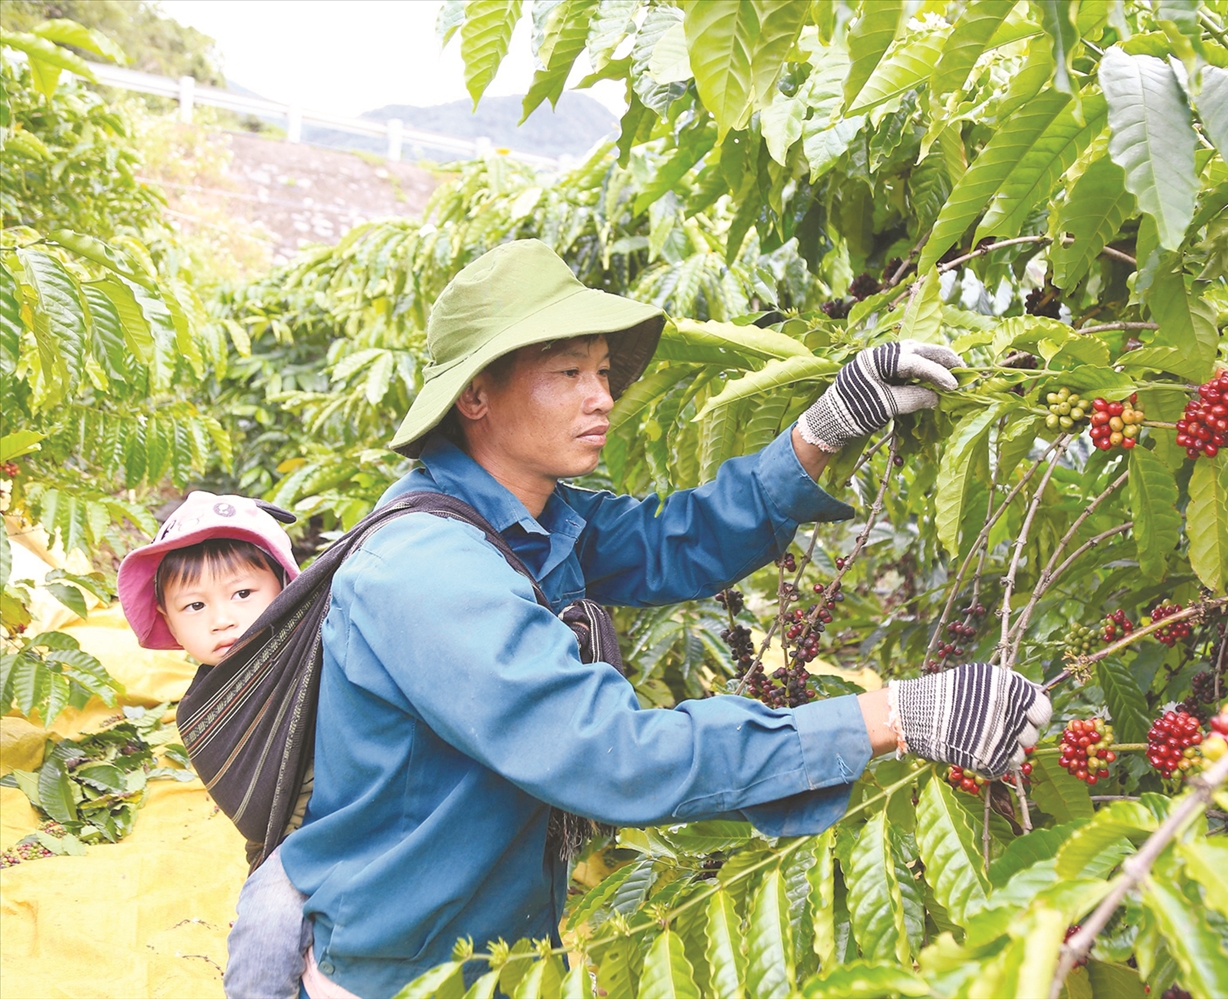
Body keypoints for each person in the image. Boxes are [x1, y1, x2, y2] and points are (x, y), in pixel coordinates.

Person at [277, 240, 1053, 997]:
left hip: (499, 953)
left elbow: (673, 540)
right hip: (404, 974)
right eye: (569, 372)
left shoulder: (536, 517)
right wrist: (893, 714)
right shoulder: (429, 570)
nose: (602, 397)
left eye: (604, 372)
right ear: (475, 395)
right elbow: (613, 753)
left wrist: (823, 428)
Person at [117, 492, 310, 999]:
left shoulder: (320, 645)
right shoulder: (205, 708)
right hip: (293, 845)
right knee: (261, 943)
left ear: (285, 586)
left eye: (243, 594)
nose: (221, 619)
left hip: (373, 817)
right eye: (195, 606)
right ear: (168, 618)